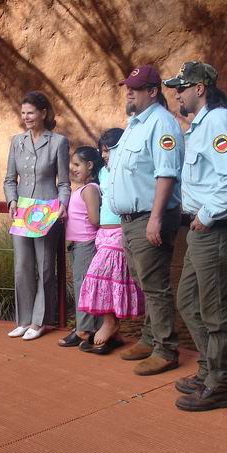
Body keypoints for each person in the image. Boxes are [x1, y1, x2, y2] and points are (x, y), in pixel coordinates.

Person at [163, 61, 227, 411]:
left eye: (182, 88)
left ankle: (221, 384)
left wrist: (207, 213)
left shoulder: (218, 121)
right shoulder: (201, 126)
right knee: (188, 301)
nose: (177, 94)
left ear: (200, 88)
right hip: (205, 230)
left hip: (217, 227)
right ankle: (208, 369)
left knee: (216, 310)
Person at [108, 64, 185, 375]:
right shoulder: (136, 123)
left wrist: (155, 219)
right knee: (145, 282)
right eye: (128, 86)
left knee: (155, 285)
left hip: (149, 217)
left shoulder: (163, 125)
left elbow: (166, 174)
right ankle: (151, 338)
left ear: (153, 92)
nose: (129, 91)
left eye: (136, 88)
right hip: (132, 218)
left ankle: (166, 349)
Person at [4, 91, 71, 340]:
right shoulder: (16, 141)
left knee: (45, 268)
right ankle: (23, 320)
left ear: (43, 113)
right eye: (23, 113)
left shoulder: (58, 142)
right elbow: (10, 179)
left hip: (46, 212)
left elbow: (64, 182)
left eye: (30, 112)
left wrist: (63, 204)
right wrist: (11, 200)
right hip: (22, 212)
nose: (26, 117)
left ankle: (39, 321)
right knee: (22, 267)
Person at [78, 128, 145, 355]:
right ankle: (115, 332)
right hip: (102, 233)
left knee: (101, 273)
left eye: (109, 150)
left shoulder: (129, 170)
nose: (104, 155)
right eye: (102, 150)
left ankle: (110, 322)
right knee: (108, 279)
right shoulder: (103, 173)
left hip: (119, 230)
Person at [58, 146, 104, 348]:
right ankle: (86, 327)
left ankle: (84, 329)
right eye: (72, 164)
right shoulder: (82, 189)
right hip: (78, 245)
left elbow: (95, 219)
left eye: (77, 164)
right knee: (82, 286)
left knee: (84, 287)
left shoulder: (91, 190)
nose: (73, 168)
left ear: (90, 165)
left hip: (86, 244)